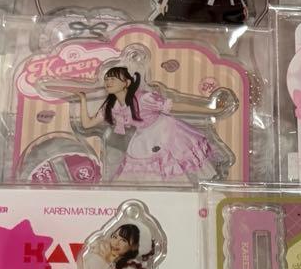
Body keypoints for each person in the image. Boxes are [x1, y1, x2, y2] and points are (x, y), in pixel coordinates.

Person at [75, 66, 219, 182]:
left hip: (165, 130)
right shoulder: (112, 107)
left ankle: (185, 189)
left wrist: (211, 109)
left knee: (175, 162)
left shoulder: (144, 98)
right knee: (139, 164)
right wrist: (82, 99)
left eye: (113, 78)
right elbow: (87, 124)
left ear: (127, 83)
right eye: (106, 79)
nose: (108, 82)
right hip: (143, 135)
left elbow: (177, 107)